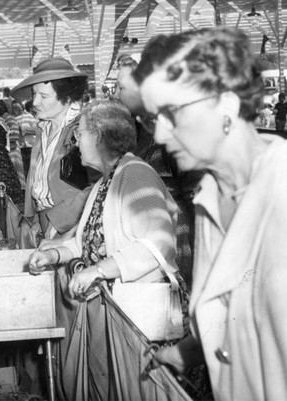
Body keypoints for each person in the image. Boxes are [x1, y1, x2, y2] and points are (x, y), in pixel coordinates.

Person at [133, 27, 287, 401]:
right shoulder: (210, 199)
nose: (164, 136)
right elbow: (233, 316)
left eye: (172, 113)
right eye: (154, 119)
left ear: (228, 104)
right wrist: (183, 353)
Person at [28, 99, 182, 400]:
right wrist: (53, 254)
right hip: (117, 313)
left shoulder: (136, 174)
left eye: (80, 133)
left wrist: (98, 270)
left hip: (143, 317)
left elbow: (158, 242)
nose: (75, 141)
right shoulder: (106, 181)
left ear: (100, 136)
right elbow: (87, 240)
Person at [111, 54, 202, 287]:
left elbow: (196, 192)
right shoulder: (139, 128)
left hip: (180, 238)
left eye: (121, 87)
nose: (116, 94)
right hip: (155, 236)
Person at [11, 57, 98, 246]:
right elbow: (39, 181)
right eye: (34, 94)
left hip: (74, 225)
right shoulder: (43, 130)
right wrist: (36, 219)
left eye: (44, 96)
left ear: (66, 97)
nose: (34, 102)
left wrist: (57, 220)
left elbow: (101, 186)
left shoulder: (84, 130)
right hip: (46, 222)